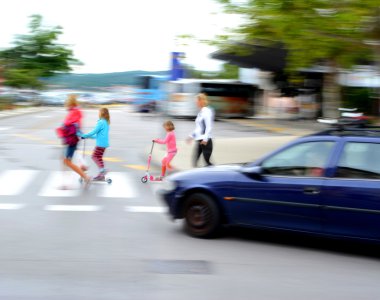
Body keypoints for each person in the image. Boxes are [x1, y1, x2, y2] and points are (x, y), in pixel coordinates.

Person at [56, 94, 91, 187]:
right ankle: (83, 165)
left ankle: (85, 177)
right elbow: (77, 126)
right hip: (74, 139)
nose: (66, 105)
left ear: (69, 103)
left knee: (67, 161)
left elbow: (66, 125)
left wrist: (62, 130)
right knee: (72, 154)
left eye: (66, 103)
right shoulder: (77, 111)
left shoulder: (72, 113)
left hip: (70, 139)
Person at [79, 107, 110, 181]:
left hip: (100, 144)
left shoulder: (101, 122)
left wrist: (85, 135)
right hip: (104, 144)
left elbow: (94, 131)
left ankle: (102, 170)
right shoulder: (106, 123)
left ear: (101, 113)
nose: (98, 113)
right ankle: (101, 175)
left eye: (99, 112)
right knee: (99, 157)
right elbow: (98, 135)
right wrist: (88, 137)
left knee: (94, 156)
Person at [186, 93, 214, 167]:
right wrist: (191, 136)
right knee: (195, 161)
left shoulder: (207, 111)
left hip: (206, 141)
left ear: (201, 101)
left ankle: (216, 174)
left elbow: (209, 126)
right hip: (200, 140)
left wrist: (205, 139)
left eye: (197, 101)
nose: (196, 102)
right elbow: (199, 128)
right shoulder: (200, 113)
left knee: (207, 162)